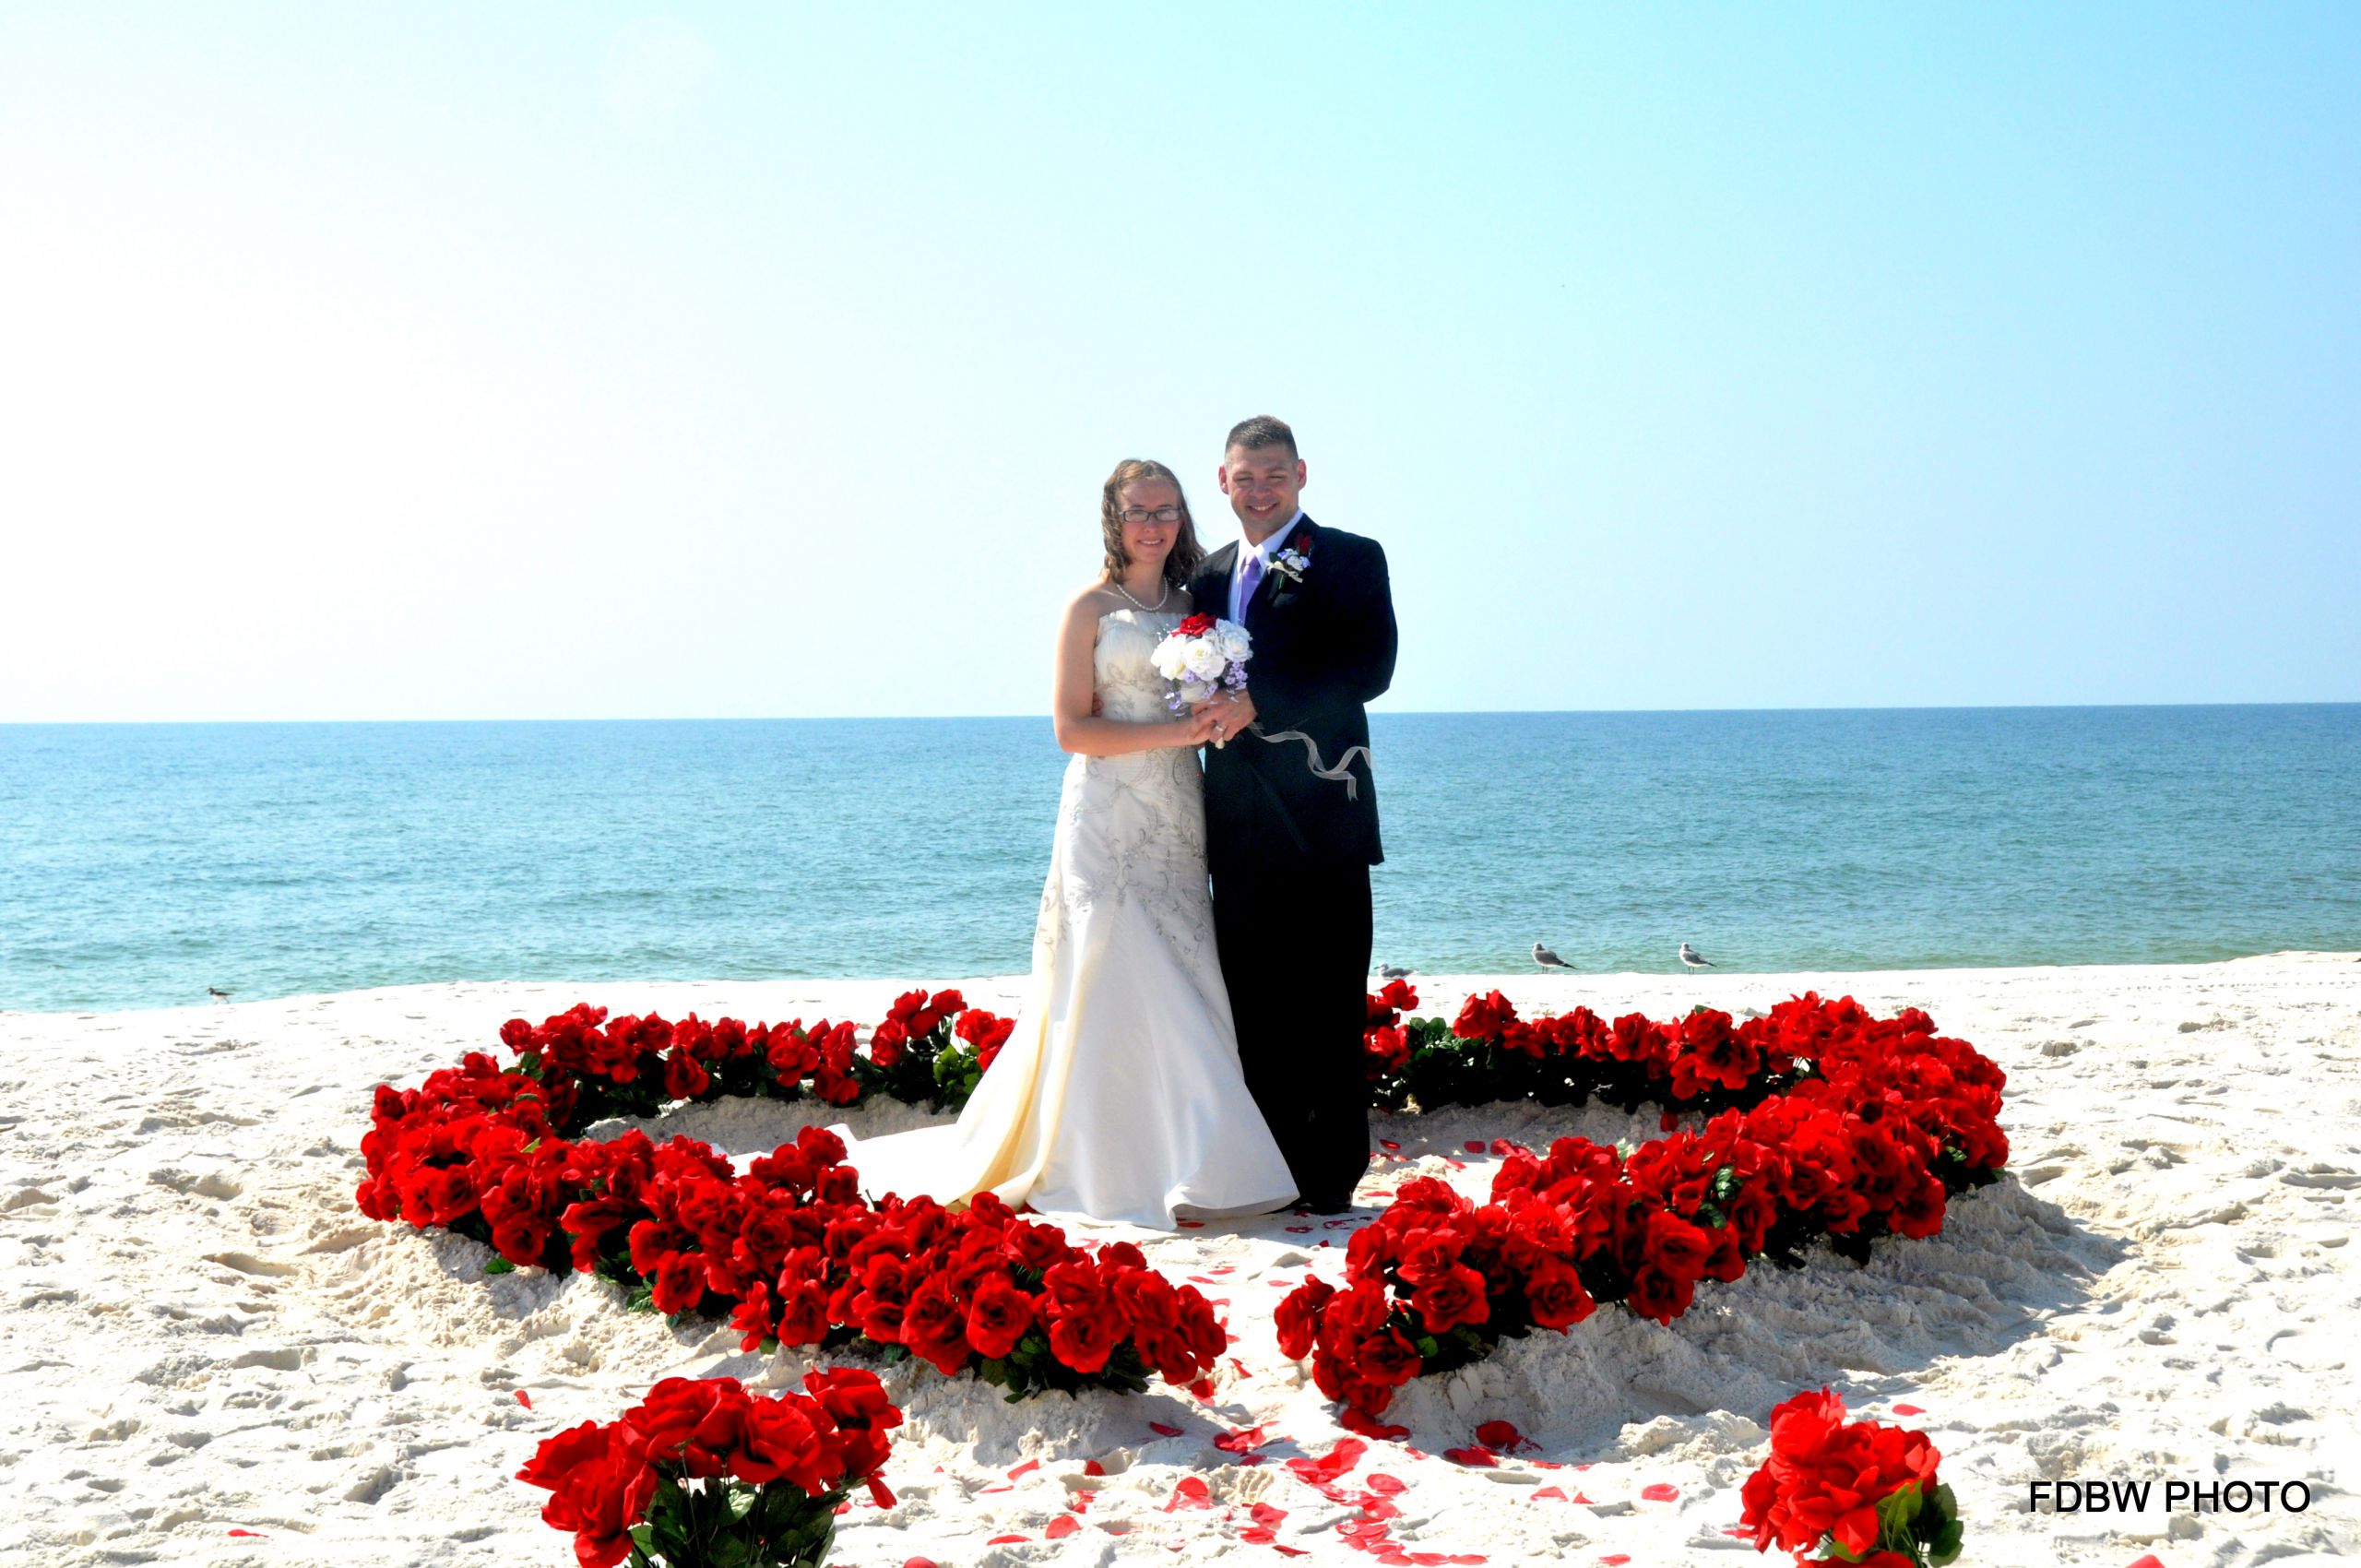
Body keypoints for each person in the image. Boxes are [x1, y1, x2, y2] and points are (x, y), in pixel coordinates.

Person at [834, 458, 1299, 1229]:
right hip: (1107, 810)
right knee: (1110, 963)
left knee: (1180, 964)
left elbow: (1230, 689)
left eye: (1167, 510)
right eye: (1138, 511)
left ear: (1183, 518)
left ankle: (1197, 1158)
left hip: (1179, 808)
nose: (1153, 524)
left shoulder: (1197, 604)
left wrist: (1218, 713)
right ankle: (1098, 1160)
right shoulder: (1088, 606)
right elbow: (1070, 729)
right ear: (1113, 521)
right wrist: (1181, 730)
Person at [1185, 416, 1396, 1214]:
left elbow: (1370, 669)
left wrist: (1257, 701)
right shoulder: (1203, 578)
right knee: (1253, 1004)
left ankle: (1331, 1174)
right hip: (1233, 824)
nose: (1260, 489)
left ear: (1301, 474)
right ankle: (1267, 1168)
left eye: (1274, 474)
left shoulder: (1350, 558)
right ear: (1224, 481)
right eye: (1246, 477)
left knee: (1329, 997)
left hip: (1324, 815)